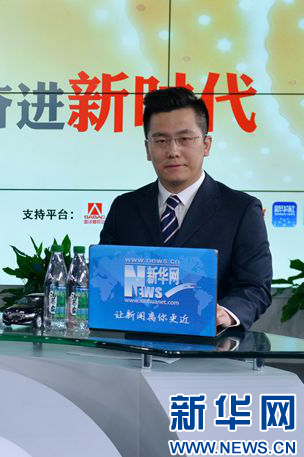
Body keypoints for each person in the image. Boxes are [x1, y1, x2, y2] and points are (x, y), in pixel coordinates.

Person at [100, 87, 272, 330]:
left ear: (206, 144)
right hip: (135, 344)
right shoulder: (124, 208)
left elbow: (255, 287)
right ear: (148, 149)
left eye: (185, 139)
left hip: (211, 346)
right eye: (161, 140)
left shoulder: (241, 210)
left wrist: (226, 313)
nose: (173, 151)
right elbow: (106, 279)